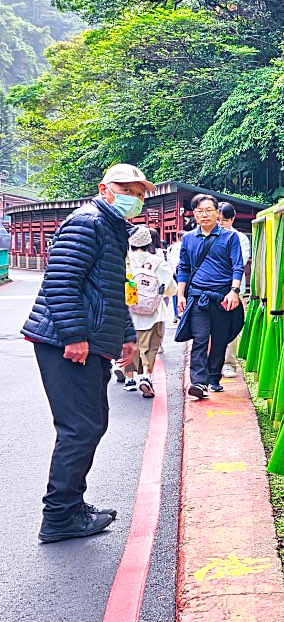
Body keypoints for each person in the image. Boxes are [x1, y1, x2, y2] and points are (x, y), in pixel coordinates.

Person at [21, 162, 155, 543]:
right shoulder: (88, 222)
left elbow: (112, 290)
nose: (134, 198)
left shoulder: (112, 229)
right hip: (65, 343)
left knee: (92, 423)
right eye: (126, 190)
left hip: (89, 343)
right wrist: (75, 336)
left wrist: (125, 335)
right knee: (79, 429)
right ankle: (59, 516)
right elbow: (61, 282)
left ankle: (72, 505)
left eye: (139, 193)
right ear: (104, 189)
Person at [176, 194, 243, 399]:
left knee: (220, 339)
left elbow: (237, 266)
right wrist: (181, 294)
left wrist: (234, 291)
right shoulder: (188, 238)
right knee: (200, 338)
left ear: (216, 213)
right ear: (194, 214)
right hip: (198, 296)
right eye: (199, 211)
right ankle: (198, 382)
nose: (204, 215)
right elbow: (184, 268)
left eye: (208, 210)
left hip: (222, 296)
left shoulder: (230, 237)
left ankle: (214, 377)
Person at [118, 225, 174, 397]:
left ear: (130, 242)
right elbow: (170, 289)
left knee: (129, 343)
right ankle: (146, 376)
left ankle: (129, 378)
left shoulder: (123, 261)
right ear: (149, 242)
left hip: (127, 312)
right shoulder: (159, 262)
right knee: (151, 346)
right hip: (154, 312)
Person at [218, 202, 250, 380]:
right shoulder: (208, 236)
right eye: (218, 220)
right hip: (213, 287)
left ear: (232, 219)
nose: (221, 223)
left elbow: (239, 262)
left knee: (231, 325)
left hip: (233, 289)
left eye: (225, 220)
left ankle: (229, 363)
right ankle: (213, 362)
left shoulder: (240, 238)